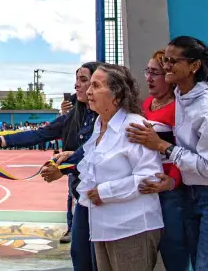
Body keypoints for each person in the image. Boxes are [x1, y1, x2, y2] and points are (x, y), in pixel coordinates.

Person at [127, 36, 208, 271]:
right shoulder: (183, 96)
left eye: (173, 61)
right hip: (194, 194)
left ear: (194, 66)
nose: (166, 66)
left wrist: (162, 146)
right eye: (166, 61)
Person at [0, 62, 100, 271]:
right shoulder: (76, 114)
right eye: (76, 80)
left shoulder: (109, 118)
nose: (77, 85)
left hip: (104, 198)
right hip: (83, 196)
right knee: (80, 254)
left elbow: (98, 152)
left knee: (100, 259)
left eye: (84, 80)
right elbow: (41, 133)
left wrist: (65, 166)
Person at [77, 64, 163, 271]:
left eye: (96, 85)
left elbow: (150, 178)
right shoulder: (99, 125)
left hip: (132, 228)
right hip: (102, 227)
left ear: (117, 94)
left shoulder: (133, 126)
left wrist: (104, 192)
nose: (89, 90)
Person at [138, 50, 190, 271]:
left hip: (171, 195)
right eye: (147, 72)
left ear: (168, 76)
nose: (148, 78)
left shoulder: (180, 108)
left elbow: (186, 149)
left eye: (155, 73)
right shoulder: (145, 105)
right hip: (146, 191)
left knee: (174, 253)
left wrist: (172, 182)